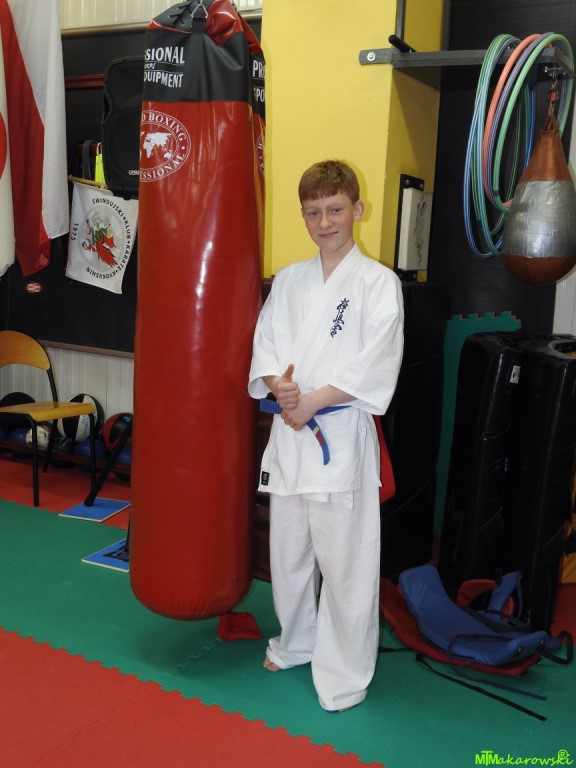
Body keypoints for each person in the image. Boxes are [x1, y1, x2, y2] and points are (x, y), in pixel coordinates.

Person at [248, 160, 404, 712]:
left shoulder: (378, 284)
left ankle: (345, 673)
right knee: (287, 553)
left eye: (335, 209)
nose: (325, 222)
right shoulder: (290, 280)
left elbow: (375, 361)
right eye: (313, 212)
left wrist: (312, 399)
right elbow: (265, 344)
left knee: (345, 565)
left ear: (357, 210)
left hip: (339, 435)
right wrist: (281, 387)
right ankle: (295, 643)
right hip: (290, 436)